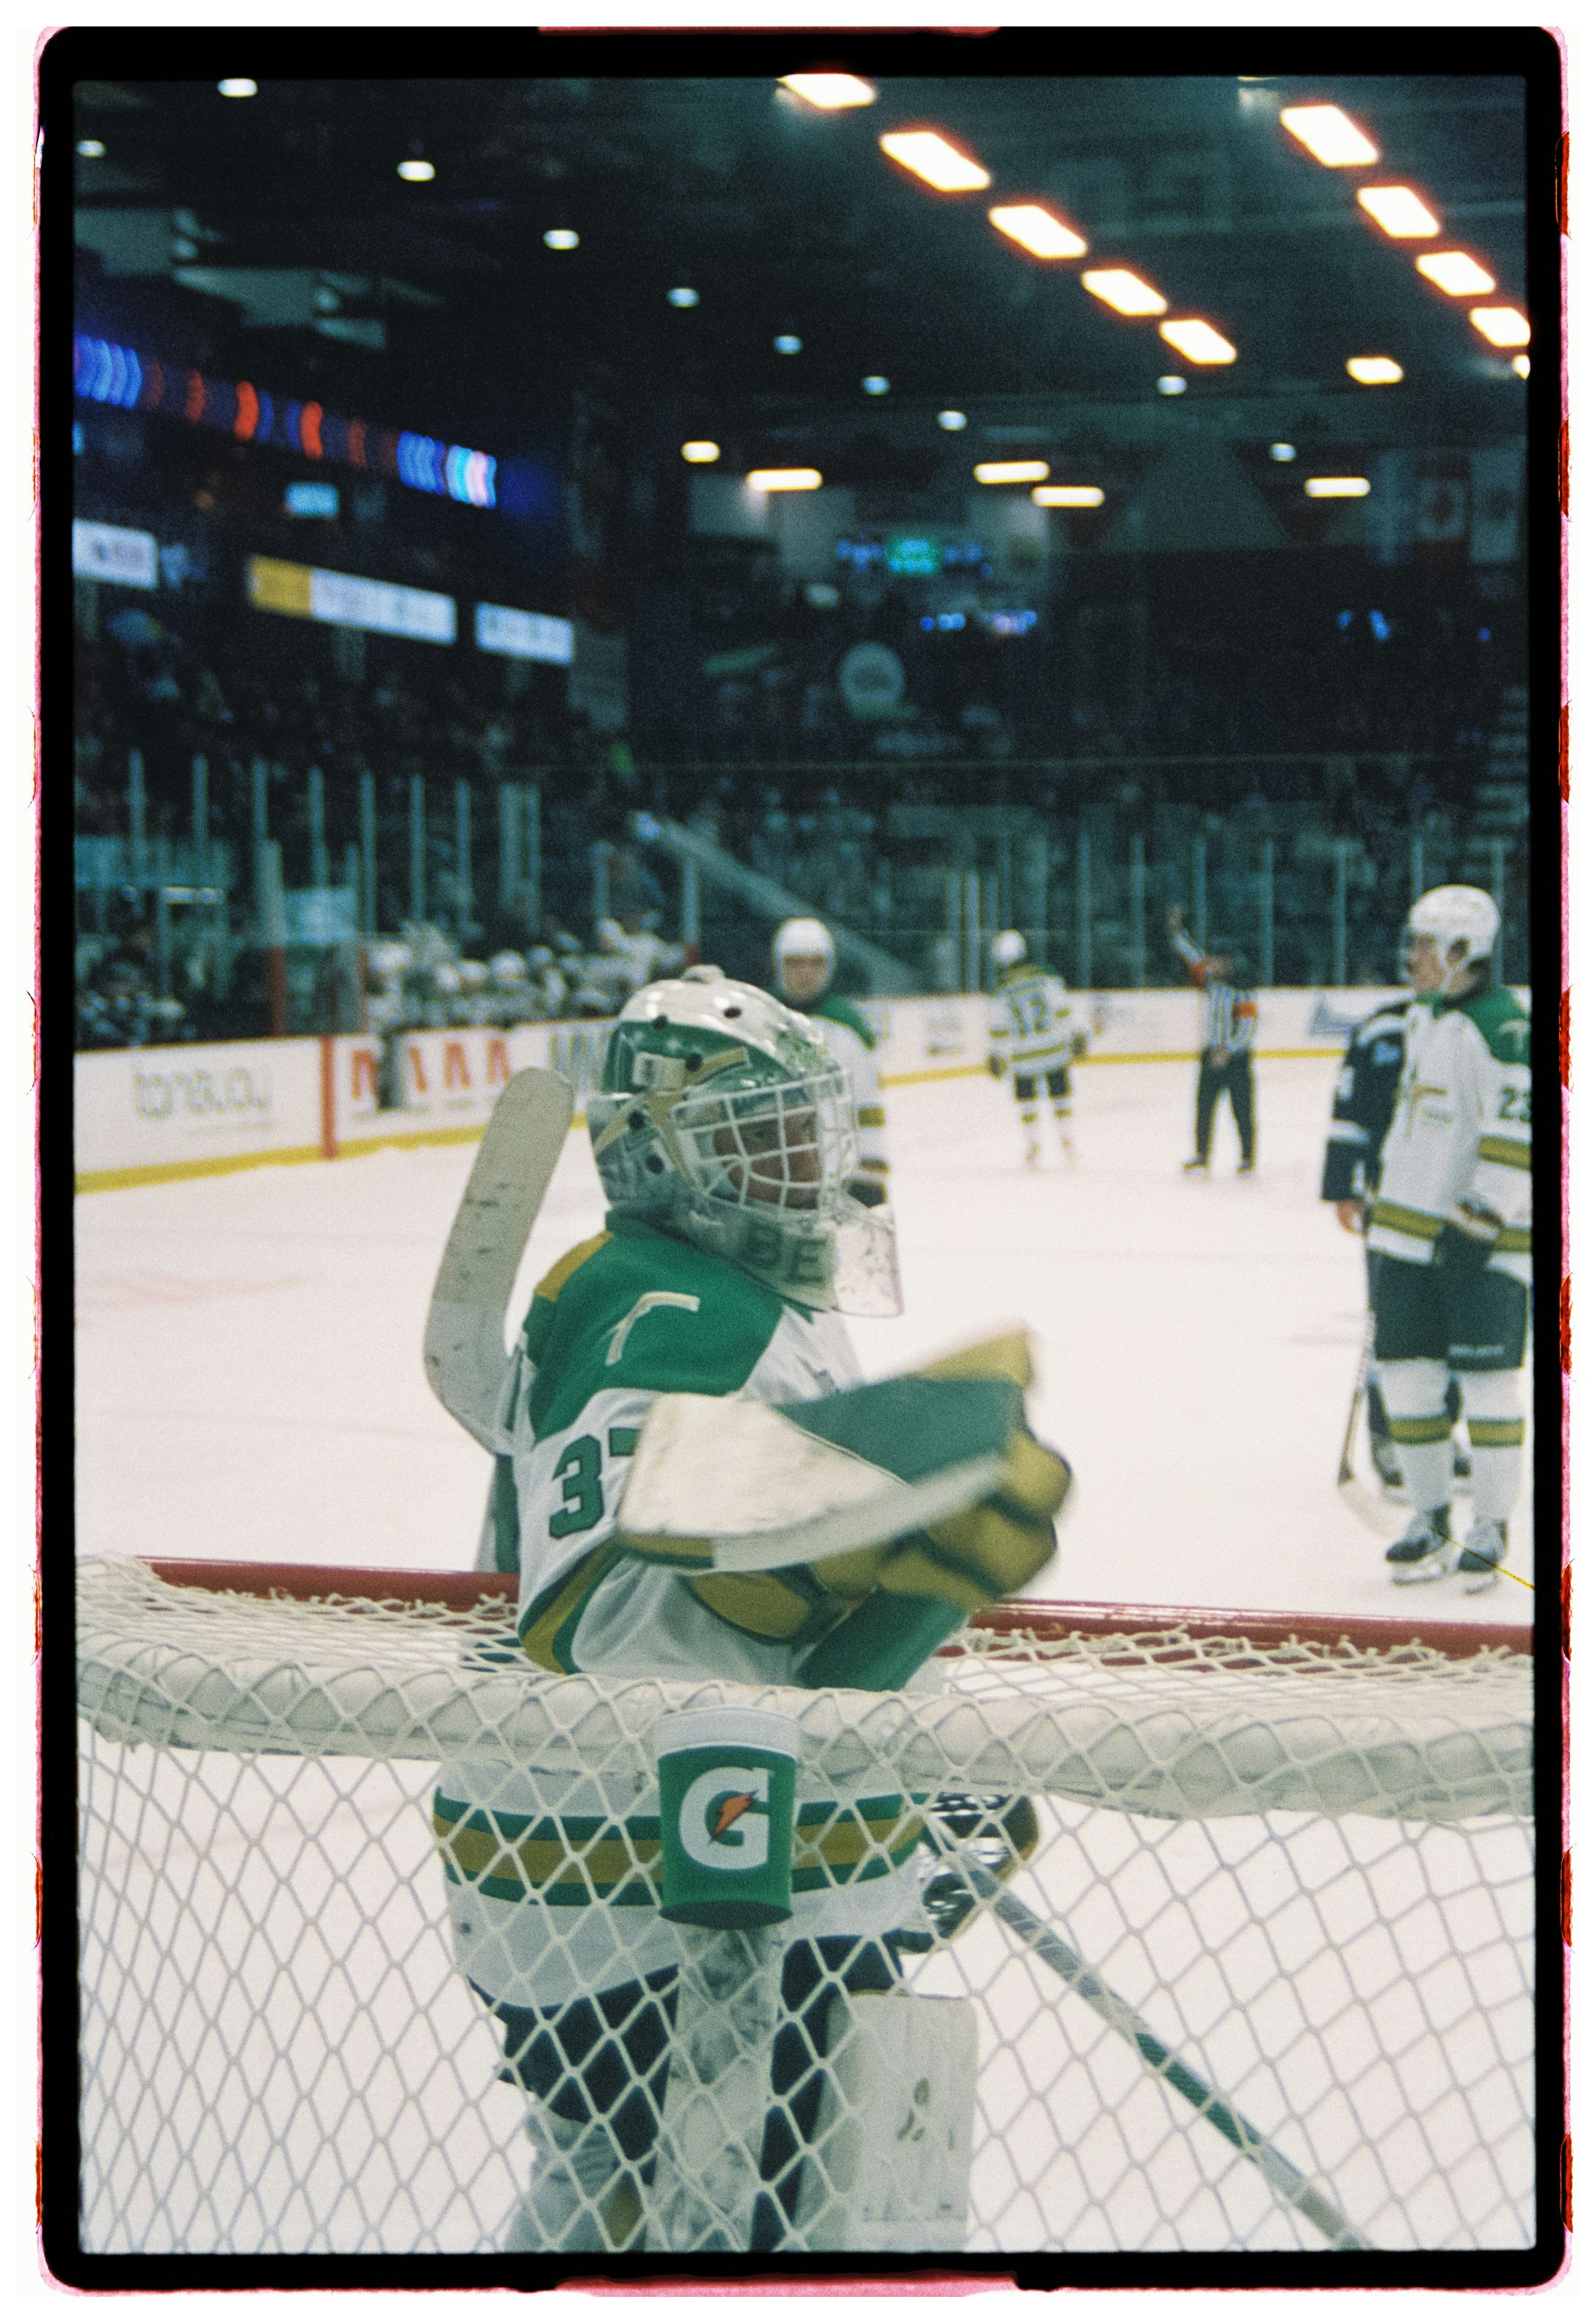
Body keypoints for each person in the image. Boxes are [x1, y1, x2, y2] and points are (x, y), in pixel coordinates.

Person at [437, 967, 1067, 2250]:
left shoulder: (686, 1285)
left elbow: (740, 1572)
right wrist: (898, 1606)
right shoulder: (674, 1316)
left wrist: (886, 1595)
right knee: (739, 2243)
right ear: (658, 1158)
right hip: (641, 1899)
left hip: (586, 1867)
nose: (800, 1162)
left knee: (597, 2205)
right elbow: (611, 1631)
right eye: (758, 1137)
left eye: (806, 1128)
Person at [1366, 885, 1530, 1589]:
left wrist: (1479, 1222)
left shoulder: (1503, 1028)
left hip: (1480, 1243)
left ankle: (1489, 1525)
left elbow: (1520, 1134)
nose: (1411, 957)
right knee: (1407, 1379)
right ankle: (1428, 1518)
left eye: (1423, 944)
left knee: (1488, 1379)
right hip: (1404, 1239)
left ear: (1464, 949)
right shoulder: (1424, 1018)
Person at [1320, 986, 1464, 1496]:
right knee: (1396, 1323)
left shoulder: (1473, 1026)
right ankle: (1389, 1436)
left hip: (1459, 1205)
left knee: (1452, 1325)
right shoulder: (1383, 1027)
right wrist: (1341, 1186)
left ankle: (1440, 1432)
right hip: (1391, 1203)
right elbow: (1349, 1108)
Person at [770, 917, 890, 1209]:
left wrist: (870, 1174)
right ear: (778, 965)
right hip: (770, 1173)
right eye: (795, 963)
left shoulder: (849, 1027)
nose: (805, 973)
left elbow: (866, 1104)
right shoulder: (761, 1017)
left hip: (835, 1175)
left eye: (816, 963)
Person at [1167, 907, 1257, 1175]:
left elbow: (1247, 1027)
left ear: (1229, 963)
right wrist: (1177, 931)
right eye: (1211, 960)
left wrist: (1228, 1051)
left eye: (1217, 961)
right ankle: (1201, 1156)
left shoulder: (1243, 989)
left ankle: (1247, 1159)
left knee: (1242, 1110)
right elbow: (1192, 957)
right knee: (1204, 1107)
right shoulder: (1211, 983)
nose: (1211, 965)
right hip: (1210, 1054)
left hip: (1236, 1059)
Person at [986, 931, 1084, 1168]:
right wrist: (1077, 1033)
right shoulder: (1046, 978)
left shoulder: (1001, 991)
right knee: (1060, 1100)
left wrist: (995, 1054)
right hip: (1053, 1050)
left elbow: (999, 1031)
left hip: (1023, 1057)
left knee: (1027, 1104)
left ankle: (1033, 1147)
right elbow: (1063, 1011)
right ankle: (1068, 1143)